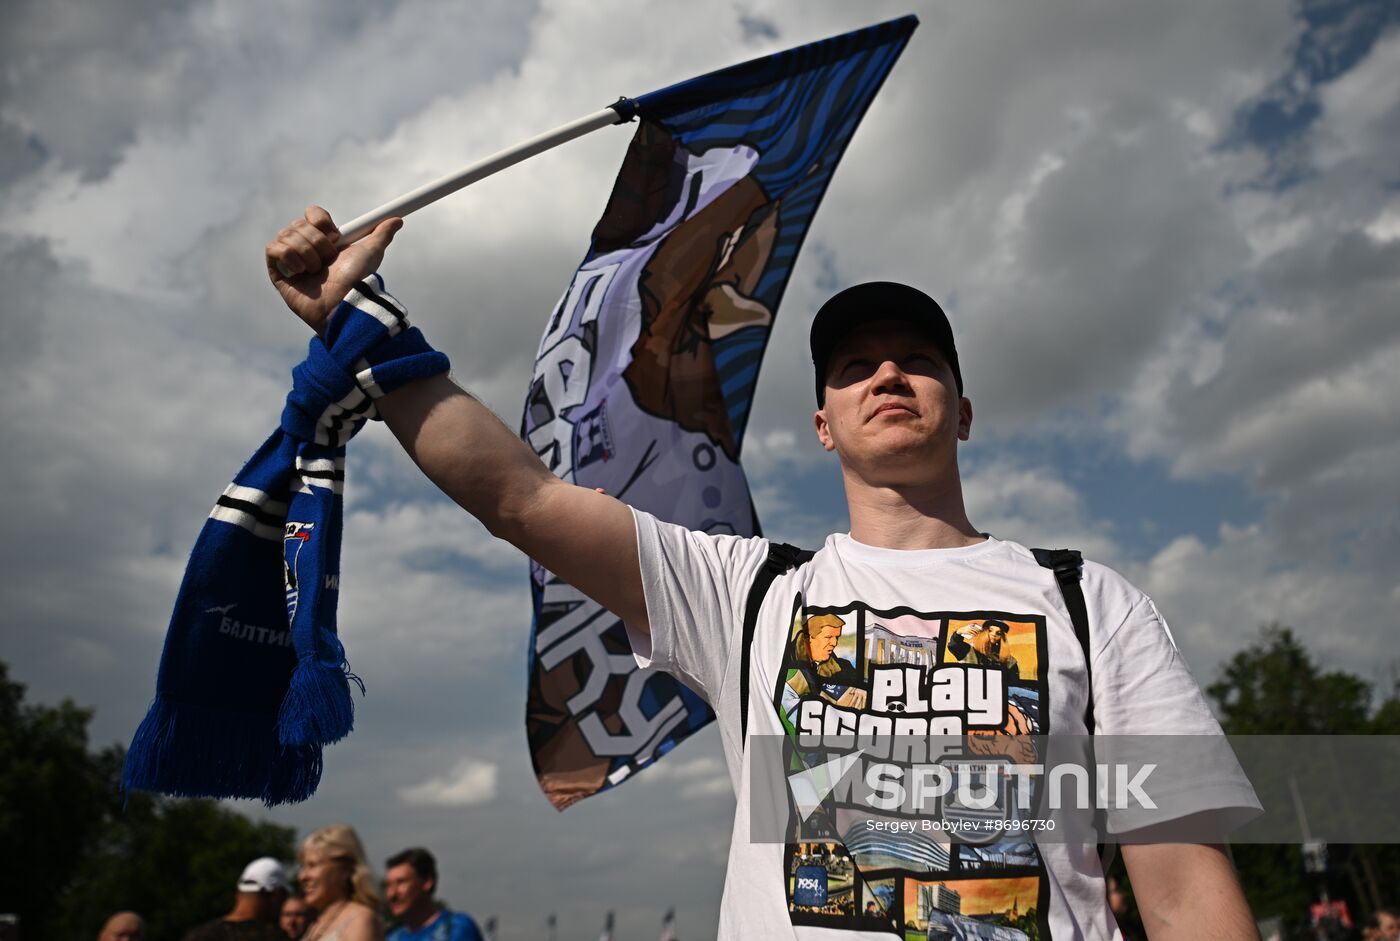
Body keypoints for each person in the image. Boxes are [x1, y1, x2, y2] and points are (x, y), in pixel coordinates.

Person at [266, 209, 1262, 940]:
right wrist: (357, 326)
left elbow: (1179, 896)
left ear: (959, 410)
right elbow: (520, 498)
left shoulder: (1092, 604)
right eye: (853, 366)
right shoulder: (749, 594)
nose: (886, 374)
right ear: (823, 423)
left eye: (916, 359)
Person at [297, 825, 383, 941]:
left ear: (344, 869)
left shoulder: (359, 920)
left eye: (312, 865)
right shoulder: (316, 925)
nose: (302, 876)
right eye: (303, 867)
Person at [383, 847, 483, 941]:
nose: (392, 894)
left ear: (427, 882)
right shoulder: (392, 938)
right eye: (388, 885)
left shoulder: (455, 928)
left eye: (401, 882)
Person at [184, 857, 290, 941]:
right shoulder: (274, 936)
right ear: (275, 895)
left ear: (238, 895)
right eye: (284, 898)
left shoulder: (199, 935)